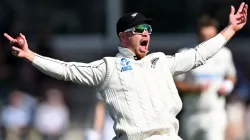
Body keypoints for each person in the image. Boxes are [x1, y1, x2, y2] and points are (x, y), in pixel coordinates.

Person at [3, 3, 248, 140]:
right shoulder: (108, 67)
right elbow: (67, 70)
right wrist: (30, 55)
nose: (145, 33)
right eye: (139, 29)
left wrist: (230, 30)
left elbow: (198, 54)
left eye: (148, 29)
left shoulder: (161, 61)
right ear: (123, 37)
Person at [174, 15, 237, 140]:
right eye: (204, 37)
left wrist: (227, 86)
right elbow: (176, 84)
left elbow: (231, 76)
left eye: (211, 37)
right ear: (198, 34)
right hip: (191, 114)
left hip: (214, 114)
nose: (207, 41)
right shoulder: (185, 53)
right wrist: (194, 88)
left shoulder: (225, 54)